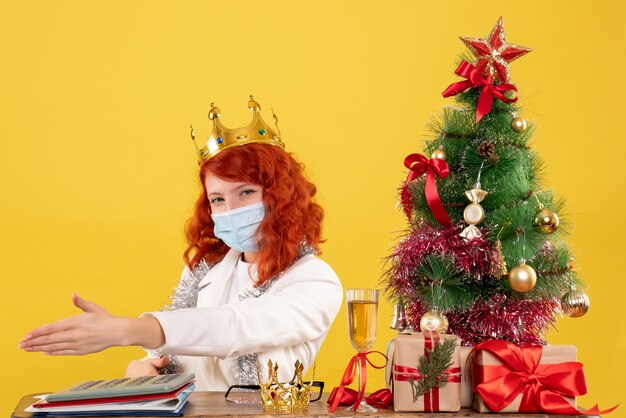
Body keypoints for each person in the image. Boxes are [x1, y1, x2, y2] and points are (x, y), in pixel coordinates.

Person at [18, 96, 343, 391]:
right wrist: (144, 369)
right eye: (217, 199)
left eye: (245, 192)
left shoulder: (315, 280)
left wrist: (124, 330)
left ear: (281, 197)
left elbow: (236, 326)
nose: (230, 210)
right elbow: (172, 344)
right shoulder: (205, 269)